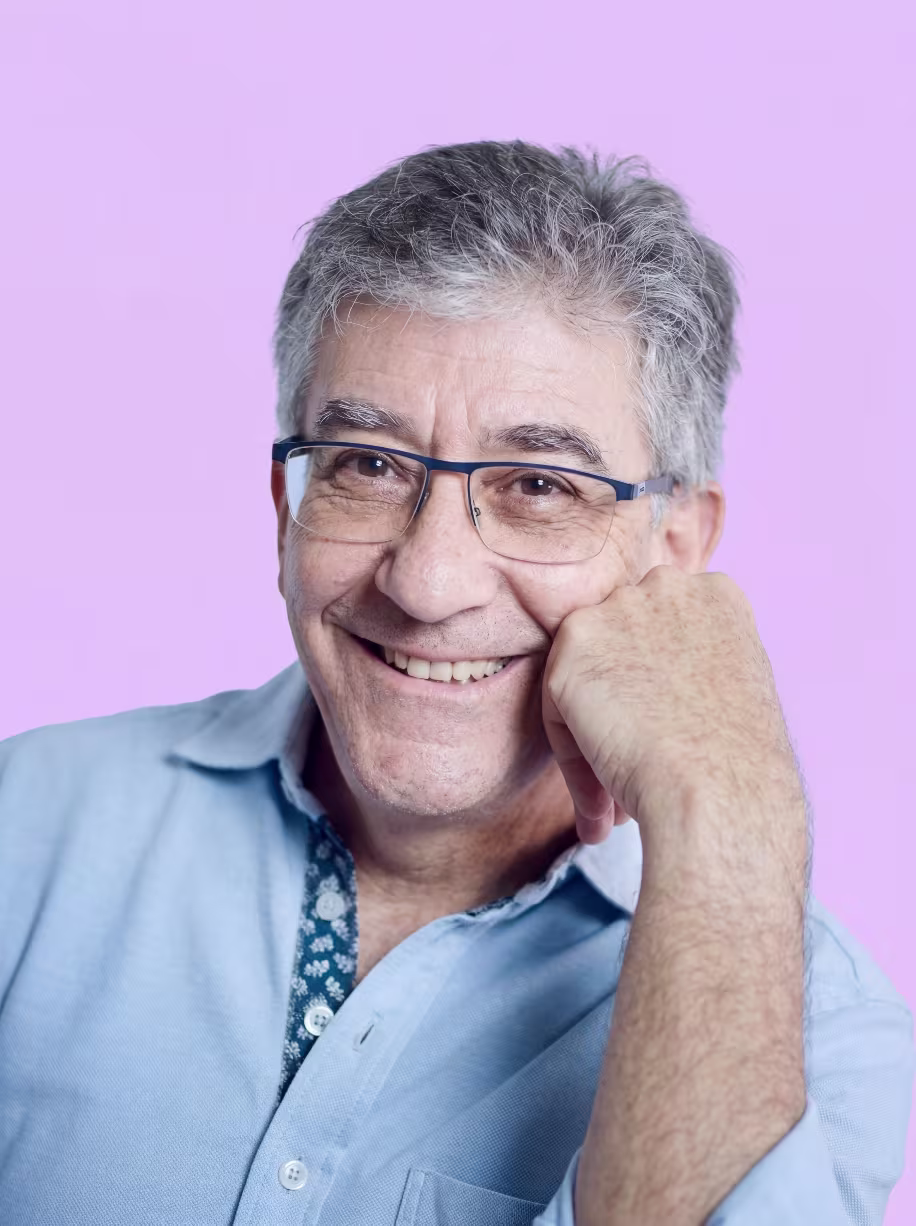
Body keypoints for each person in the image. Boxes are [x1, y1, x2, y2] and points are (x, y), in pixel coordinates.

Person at [0, 140, 911, 1226]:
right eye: (368, 465)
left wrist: (728, 806)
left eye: (539, 484)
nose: (429, 582)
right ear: (285, 510)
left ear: (672, 550)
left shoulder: (816, 1032)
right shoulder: (30, 824)